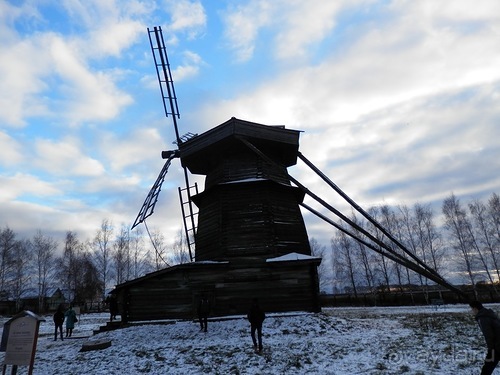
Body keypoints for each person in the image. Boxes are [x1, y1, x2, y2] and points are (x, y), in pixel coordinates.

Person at [470, 301, 500, 375]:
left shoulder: (482, 318)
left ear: (475, 308)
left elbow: (488, 335)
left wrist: (491, 349)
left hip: (497, 345)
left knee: (487, 367)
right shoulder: (489, 314)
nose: (471, 311)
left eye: (471, 309)